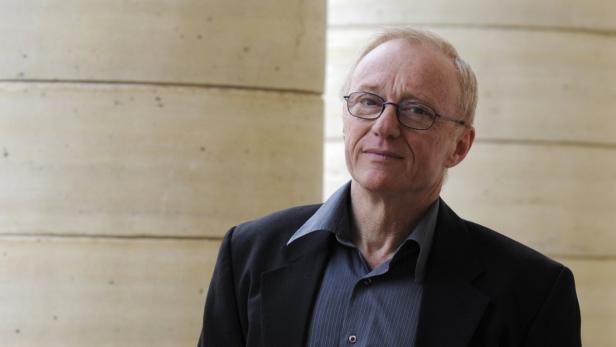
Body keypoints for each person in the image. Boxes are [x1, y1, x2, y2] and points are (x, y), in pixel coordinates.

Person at [197, 28, 581, 347]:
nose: (384, 126)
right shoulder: (248, 254)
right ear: (345, 120)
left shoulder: (532, 293)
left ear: (459, 146)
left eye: (417, 110)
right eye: (368, 101)